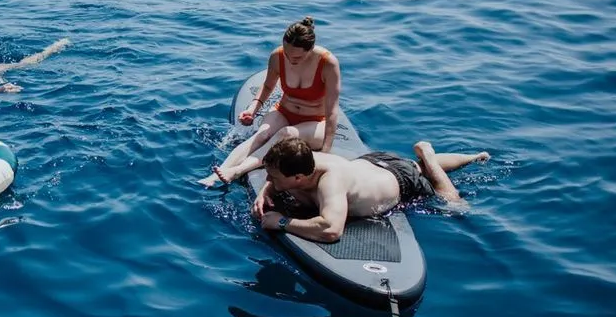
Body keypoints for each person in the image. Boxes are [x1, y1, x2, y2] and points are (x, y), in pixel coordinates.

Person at [252, 137, 490, 243]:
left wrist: (282, 222)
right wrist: (265, 192)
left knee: (454, 205)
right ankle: (428, 158)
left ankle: (430, 157)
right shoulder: (301, 158)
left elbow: (331, 230)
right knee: (415, 165)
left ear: (298, 177)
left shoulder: (330, 182)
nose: (268, 178)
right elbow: (275, 175)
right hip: (374, 163)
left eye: (272, 176)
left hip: (401, 181)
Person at [199, 17, 341, 187]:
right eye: (287, 54)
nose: (289, 60)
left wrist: (326, 152)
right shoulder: (278, 56)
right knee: (262, 135)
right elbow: (267, 86)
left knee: (285, 134)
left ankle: (238, 171)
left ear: (310, 50)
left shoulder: (328, 63)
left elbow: (332, 110)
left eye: (296, 57)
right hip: (284, 111)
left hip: (315, 122)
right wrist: (252, 109)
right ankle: (217, 174)